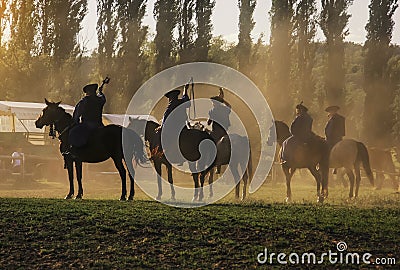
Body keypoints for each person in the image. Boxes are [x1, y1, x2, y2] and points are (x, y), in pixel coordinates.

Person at [69, 83, 106, 148]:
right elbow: (103, 98)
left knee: (73, 132)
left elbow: (77, 114)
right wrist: (100, 92)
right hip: (99, 125)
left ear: (88, 92)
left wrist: (76, 123)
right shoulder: (100, 100)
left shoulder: (84, 101)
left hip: (86, 125)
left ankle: (75, 150)